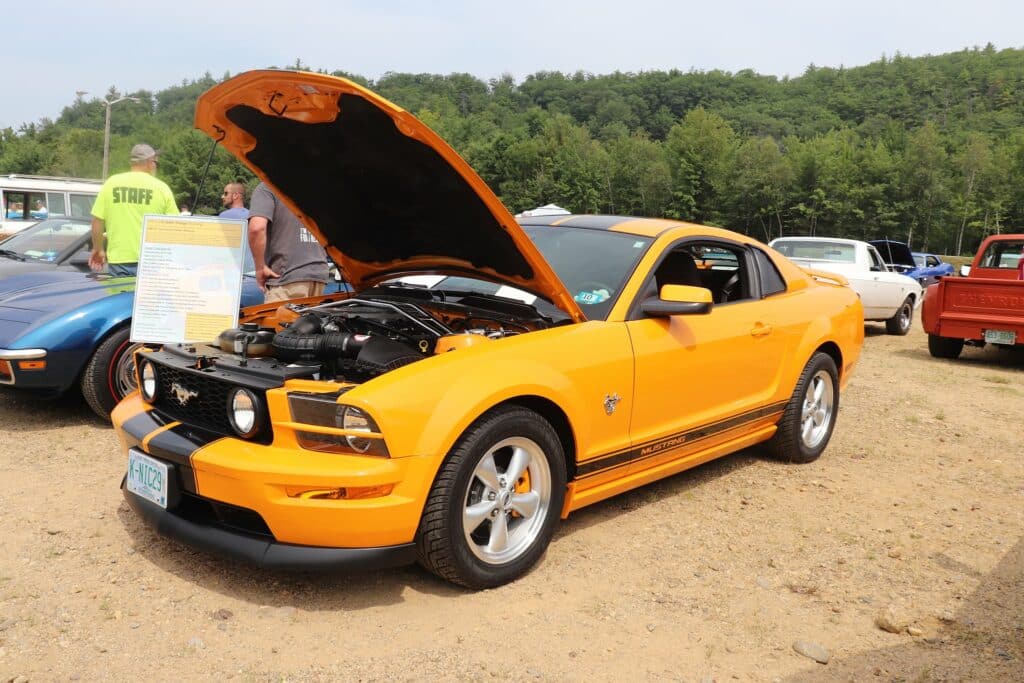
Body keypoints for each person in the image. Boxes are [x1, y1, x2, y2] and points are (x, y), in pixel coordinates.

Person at [89, 143, 179, 276]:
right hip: (152, 262)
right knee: (147, 297)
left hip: (120, 260)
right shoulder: (162, 188)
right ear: (149, 163)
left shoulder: (111, 183)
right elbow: (175, 226)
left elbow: (97, 221)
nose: (155, 166)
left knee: (122, 297)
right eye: (155, 162)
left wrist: (98, 249)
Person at [247, 182, 328, 302]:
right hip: (319, 274)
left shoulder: (267, 187)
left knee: (281, 320)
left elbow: (256, 228)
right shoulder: (319, 190)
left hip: (286, 277)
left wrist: (260, 267)